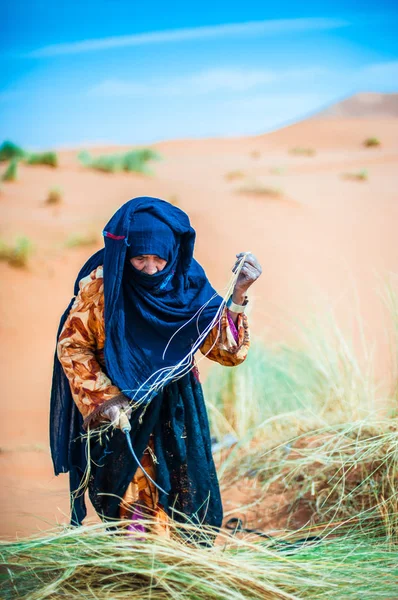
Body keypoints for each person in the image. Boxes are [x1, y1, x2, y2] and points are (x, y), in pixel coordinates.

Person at [50, 196, 262, 540]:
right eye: (139, 258)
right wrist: (106, 399)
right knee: (130, 499)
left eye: (158, 259)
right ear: (125, 254)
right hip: (123, 414)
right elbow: (72, 346)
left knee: (185, 497)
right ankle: (140, 572)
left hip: (177, 411)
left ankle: (180, 574)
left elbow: (226, 353)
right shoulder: (103, 288)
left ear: (171, 254)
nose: (150, 269)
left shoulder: (186, 285)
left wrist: (237, 296)